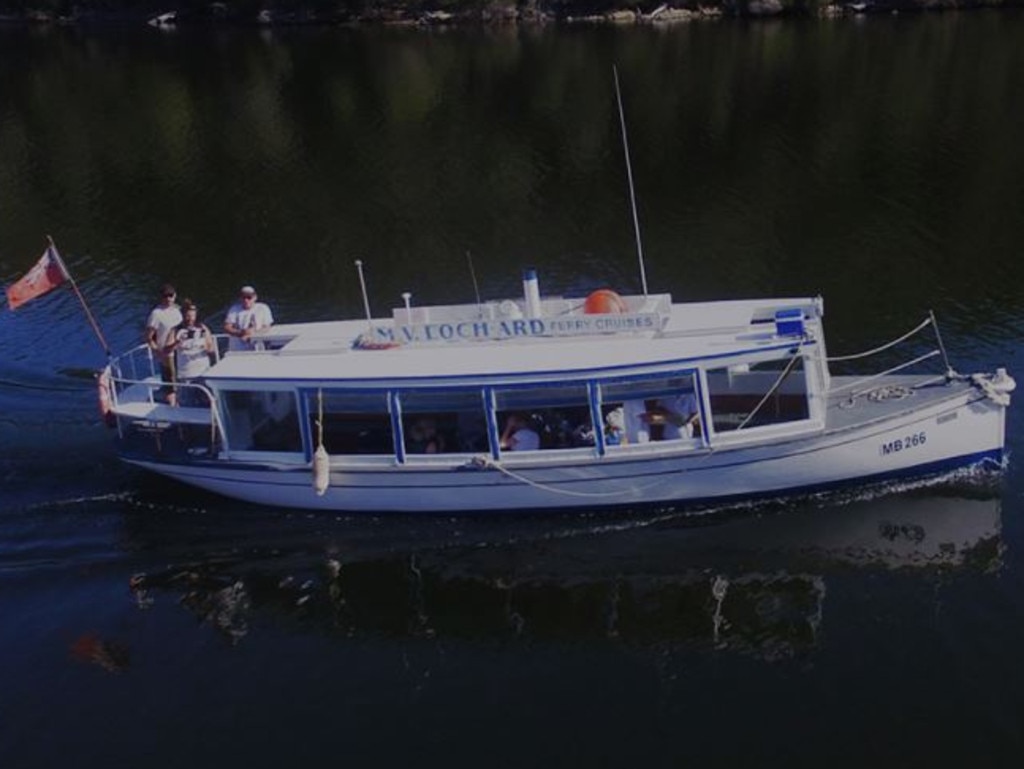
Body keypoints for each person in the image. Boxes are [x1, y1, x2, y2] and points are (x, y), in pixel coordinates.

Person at [164, 299, 215, 407]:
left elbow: (211, 348)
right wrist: (177, 343)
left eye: (193, 316)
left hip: (203, 373)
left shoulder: (202, 328)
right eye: (188, 316)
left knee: (207, 403)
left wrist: (205, 347)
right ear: (183, 315)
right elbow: (166, 350)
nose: (190, 319)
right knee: (187, 404)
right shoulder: (176, 330)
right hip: (186, 375)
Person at [145, 283, 182, 403]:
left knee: (181, 377)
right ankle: (172, 406)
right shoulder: (156, 314)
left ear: (175, 296)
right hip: (167, 353)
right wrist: (158, 352)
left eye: (170, 295)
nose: (168, 299)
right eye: (165, 296)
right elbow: (148, 337)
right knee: (170, 381)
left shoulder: (177, 309)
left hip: (181, 350)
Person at [224, 285, 274, 351]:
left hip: (258, 348)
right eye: (243, 297)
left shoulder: (263, 308)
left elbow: (267, 327)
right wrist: (241, 332)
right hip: (237, 350)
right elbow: (227, 327)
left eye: (249, 297)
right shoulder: (234, 309)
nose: (246, 300)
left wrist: (252, 334)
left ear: (255, 297)